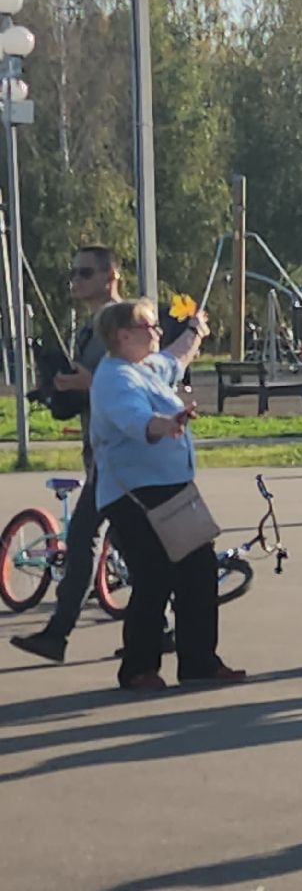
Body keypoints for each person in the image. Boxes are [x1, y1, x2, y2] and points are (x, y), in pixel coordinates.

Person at [88, 298, 243, 691]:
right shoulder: (115, 378)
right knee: (154, 574)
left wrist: (195, 330)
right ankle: (138, 669)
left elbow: (176, 357)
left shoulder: (146, 367)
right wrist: (166, 424)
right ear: (123, 336)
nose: (157, 332)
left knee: (198, 571)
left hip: (171, 490)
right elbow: (135, 420)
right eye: (149, 326)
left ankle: (199, 663)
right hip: (135, 495)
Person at [11, 245, 124, 663]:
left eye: (85, 273)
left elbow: (132, 380)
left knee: (82, 540)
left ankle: (58, 634)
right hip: (98, 449)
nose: (75, 281)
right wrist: (55, 389)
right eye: (73, 273)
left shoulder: (122, 322)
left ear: (110, 276)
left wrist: (84, 384)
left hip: (118, 453)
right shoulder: (88, 329)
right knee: (132, 544)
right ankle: (161, 627)